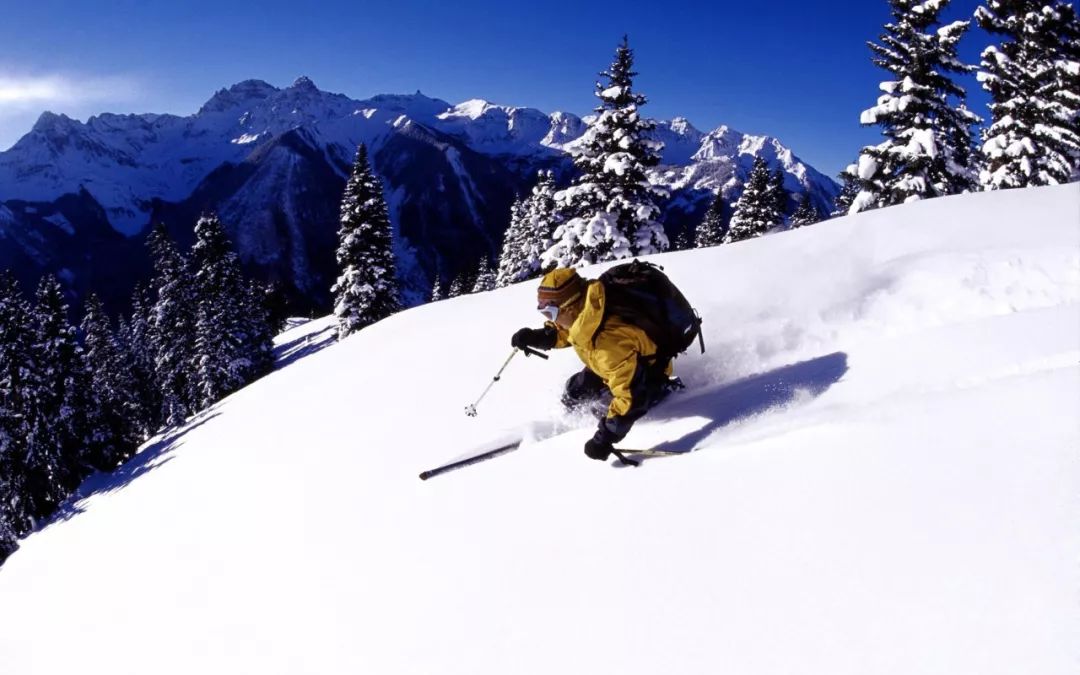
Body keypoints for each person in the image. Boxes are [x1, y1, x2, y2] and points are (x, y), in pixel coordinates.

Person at [511, 268, 682, 462]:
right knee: (574, 391)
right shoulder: (587, 309)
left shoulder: (608, 343)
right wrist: (538, 337)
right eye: (542, 311)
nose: (549, 319)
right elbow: (569, 331)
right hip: (609, 368)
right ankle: (570, 419)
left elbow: (631, 397)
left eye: (549, 313)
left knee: (631, 400)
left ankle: (667, 388)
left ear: (570, 307)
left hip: (644, 374)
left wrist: (604, 438)